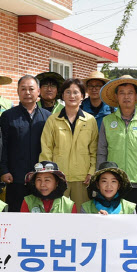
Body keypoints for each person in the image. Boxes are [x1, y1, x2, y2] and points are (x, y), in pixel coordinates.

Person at [97, 75, 137, 214]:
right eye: (122, 93)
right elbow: (102, 151)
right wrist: (100, 177)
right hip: (113, 183)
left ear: (136, 96)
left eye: (130, 93)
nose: (126, 97)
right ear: (117, 96)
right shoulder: (107, 121)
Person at [39, 78, 98, 208]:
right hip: (59, 177)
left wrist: (91, 171)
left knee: (82, 214)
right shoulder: (53, 120)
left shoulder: (90, 120)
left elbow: (94, 149)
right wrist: (49, 174)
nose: (72, 96)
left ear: (82, 96)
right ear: (62, 95)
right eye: (68, 92)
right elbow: (46, 148)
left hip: (82, 178)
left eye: (76, 92)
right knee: (58, 214)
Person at [0, 75, 52, 212]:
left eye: (31, 89)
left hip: (40, 178)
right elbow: (2, 145)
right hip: (15, 177)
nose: (27, 92)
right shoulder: (8, 116)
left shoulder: (47, 117)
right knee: (16, 214)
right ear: (17, 91)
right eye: (23, 89)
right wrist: (4, 170)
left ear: (38, 91)